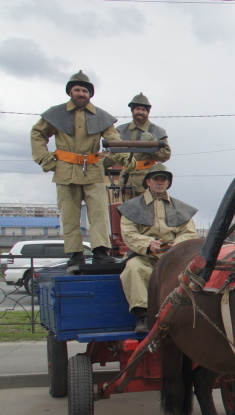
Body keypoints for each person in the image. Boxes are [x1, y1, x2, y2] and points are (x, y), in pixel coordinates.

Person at [31, 70, 125, 267]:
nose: (81, 94)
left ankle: (101, 251)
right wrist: (46, 160)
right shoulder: (55, 114)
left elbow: (113, 141)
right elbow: (38, 133)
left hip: (93, 170)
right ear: (70, 92)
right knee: (69, 214)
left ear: (90, 94)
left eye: (84, 90)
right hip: (65, 170)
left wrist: (110, 159)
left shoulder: (102, 116)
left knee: (99, 212)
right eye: (77, 90)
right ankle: (75, 253)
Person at [118, 164, 197, 332]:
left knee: (193, 274)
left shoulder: (180, 208)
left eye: (164, 180)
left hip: (172, 258)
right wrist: (147, 244)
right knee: (133, 269)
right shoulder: (132, 207)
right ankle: (143, 317)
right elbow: (128, 232)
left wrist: (178, 245)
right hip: (145, 256)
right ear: (148, 182)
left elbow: (189, 232)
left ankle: (186, 317)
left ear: (168, 183)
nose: (160, 183)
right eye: (156, 179)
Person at [112, 93, 171, 196]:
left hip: (148, 180)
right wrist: (100, 166)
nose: (140, 112)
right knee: (127, 211)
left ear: (148, 112)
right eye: (137, 109)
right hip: (127, 179)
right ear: (133, 110)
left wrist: (153, 143)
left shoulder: (157, 131)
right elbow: (112, 153)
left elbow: (165, 155)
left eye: (143, 110)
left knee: (150, 210)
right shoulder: (121, 131)